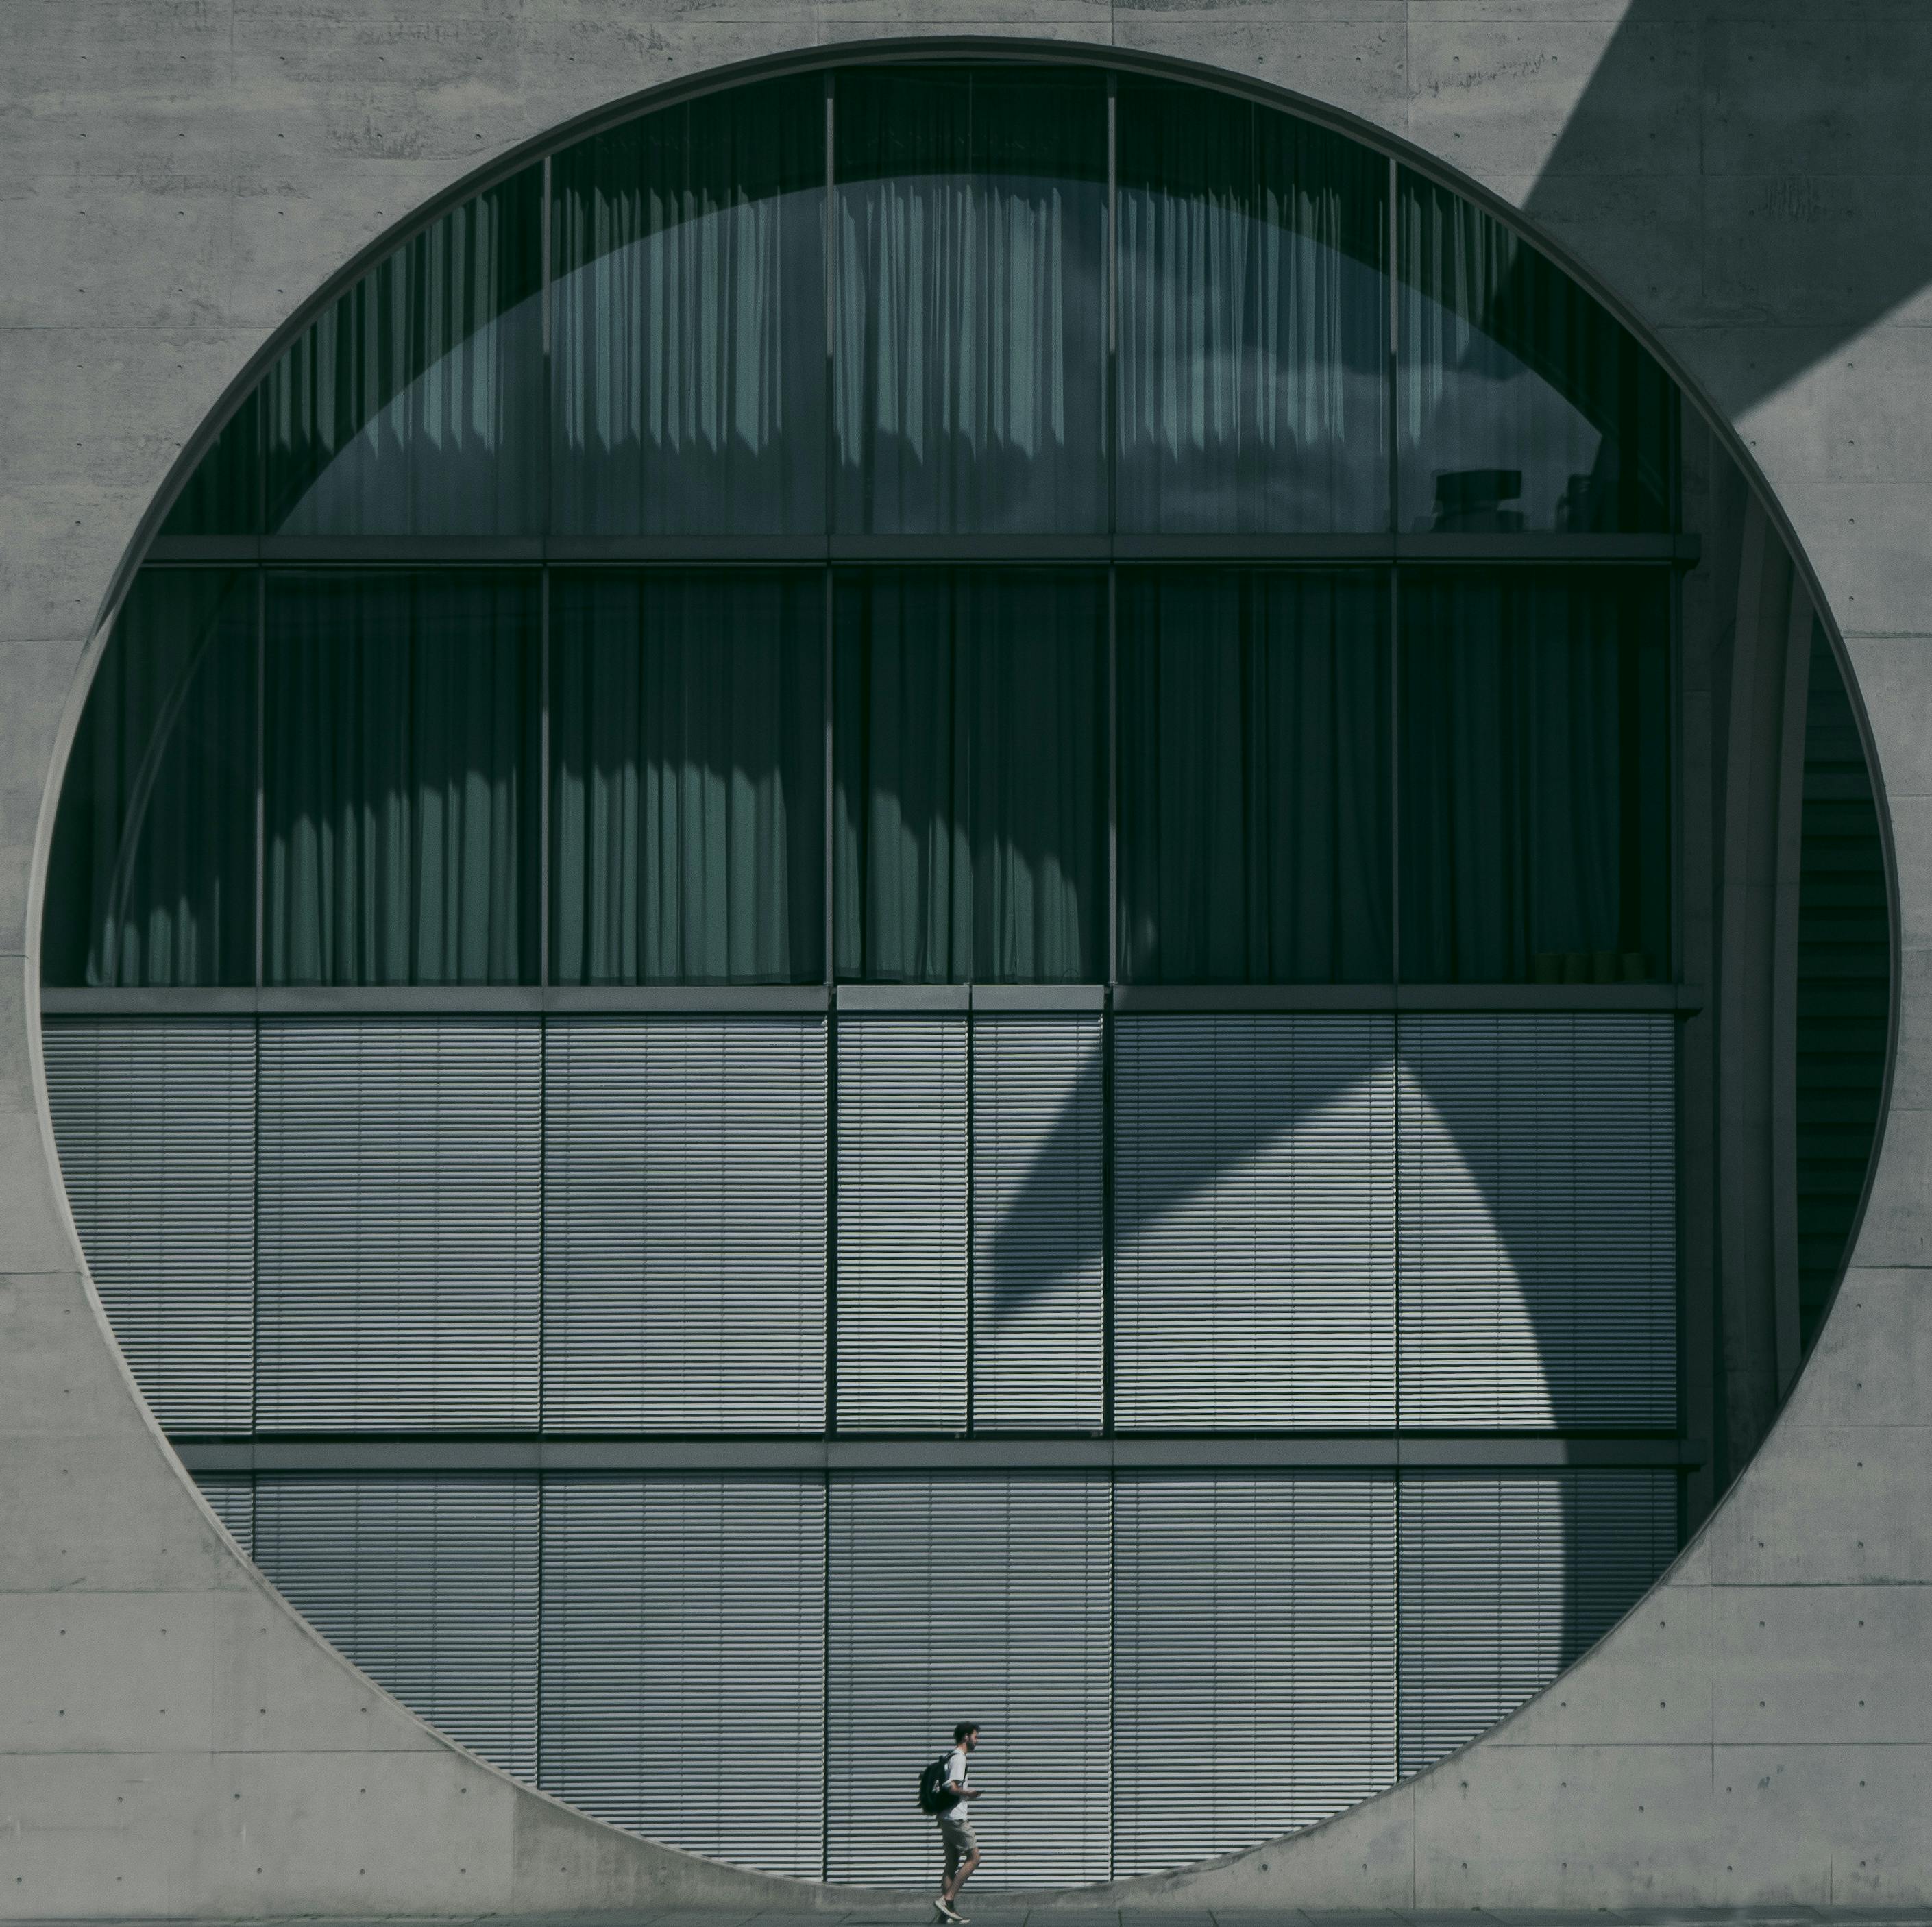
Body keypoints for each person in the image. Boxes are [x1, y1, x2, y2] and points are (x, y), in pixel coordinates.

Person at [933, 1721, 982, 1922]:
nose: (977, 1740)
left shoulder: (951, 1756)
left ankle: (946, 1914)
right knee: (975, 1858)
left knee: (952, 1864)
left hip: (946, 1817)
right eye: (975, 1736)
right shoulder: (959, 1758)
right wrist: (968, 1793)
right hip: (956, 1818)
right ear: (966, 1737)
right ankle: (947, 1899)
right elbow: (951, 1787)